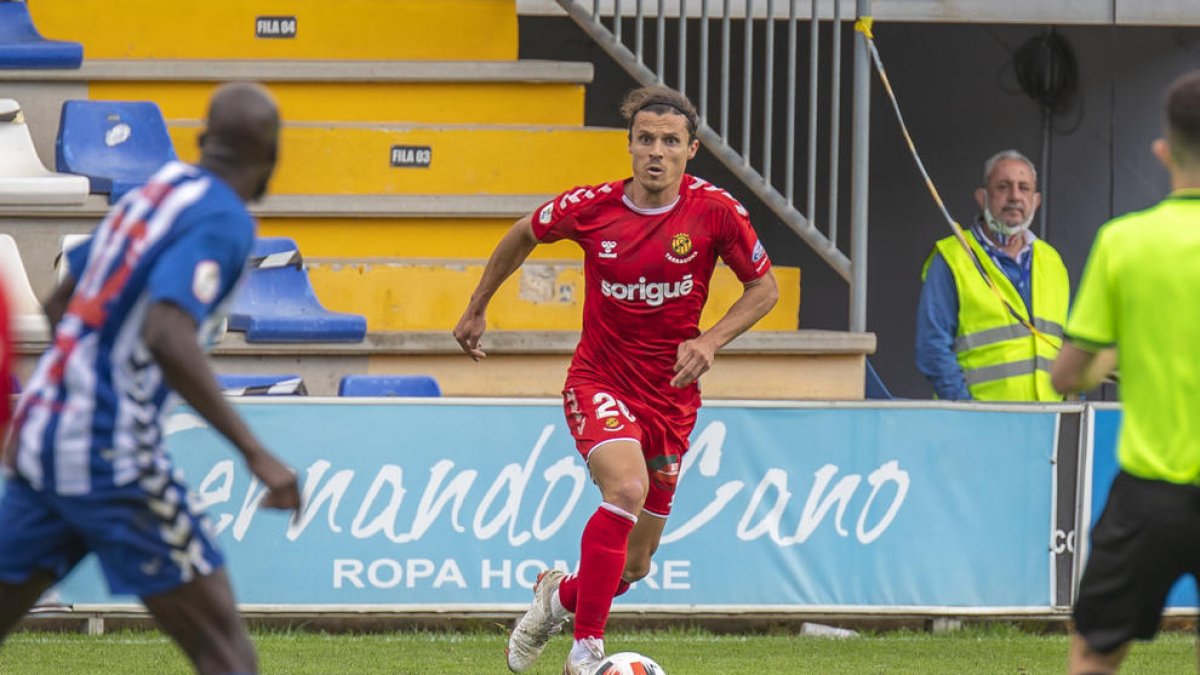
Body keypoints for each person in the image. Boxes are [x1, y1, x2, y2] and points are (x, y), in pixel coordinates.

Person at [454, 85, 778, 674]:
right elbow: (523, 232)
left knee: (633, 567)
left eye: (670, 141)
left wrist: (709, 341)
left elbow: (765, 288)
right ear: (629, 146)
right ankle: (586, 650)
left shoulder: (716, 213)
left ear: (691, 150)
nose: (657, 151)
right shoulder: (592, 207)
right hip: (598, 381)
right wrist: (478, 307)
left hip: (671, 399)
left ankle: (558, 600)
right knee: (625, 490)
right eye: (646, 140)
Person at [0, 83, 300, 675]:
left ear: (202, 140)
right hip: (110, 455)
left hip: (46, 441)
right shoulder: (223, 218)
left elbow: (63, 305)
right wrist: (255, 453)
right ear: (270, 157)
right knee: (226, 652)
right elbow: (168, 332)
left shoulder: (152, 194)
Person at [1052, 70, 1200, 675]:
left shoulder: (1124, 242)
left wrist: (1111, 358)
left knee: (1093, 653)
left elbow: (1067, 376)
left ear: (1164, 151)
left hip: (1150, 495)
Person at [915, 149, 1070, 400]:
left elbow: (1071, 346)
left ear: (1036, 200)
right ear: (983, 197)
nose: (1015, 196)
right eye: (1003, 187)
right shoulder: (952, 257)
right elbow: (932, 349)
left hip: (1048, 425)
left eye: (1024, 188)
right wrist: (968, 413)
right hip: (979, 425)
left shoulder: (1053, 262)